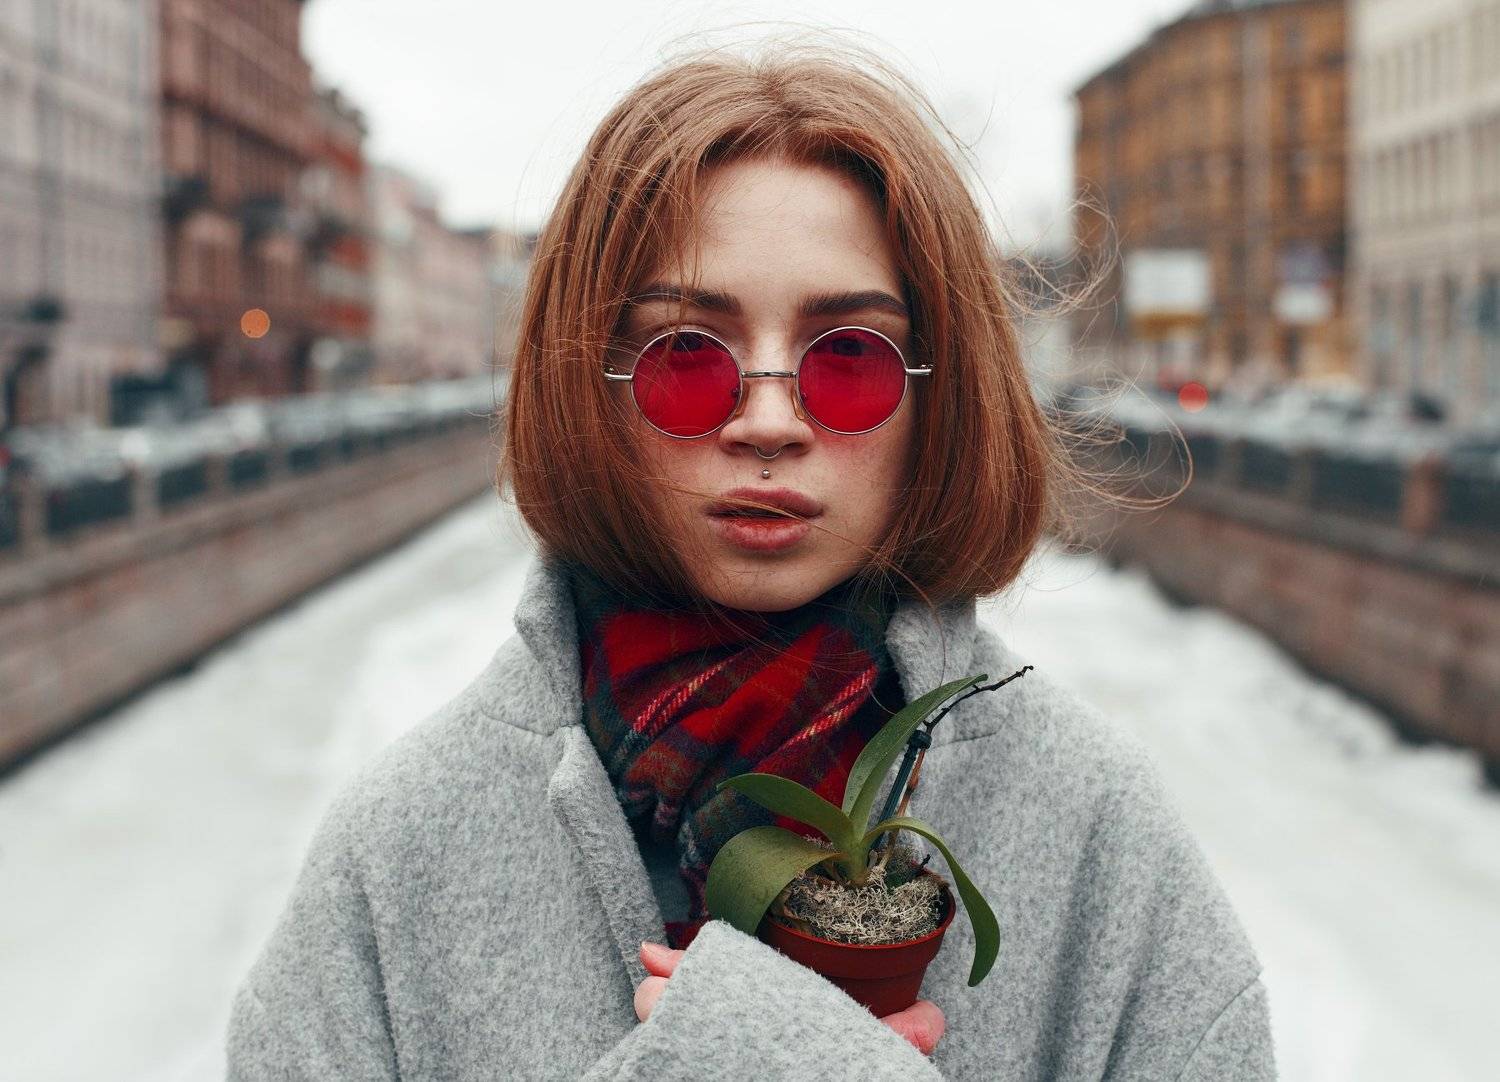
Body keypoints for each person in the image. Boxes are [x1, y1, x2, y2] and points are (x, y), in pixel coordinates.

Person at [226, 38, 1276, 1081]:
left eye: (849, 358)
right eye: (688, 355)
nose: (768, 421)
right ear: (589, 391)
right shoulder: (399, 853)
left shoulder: (1098, 833)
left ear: (937, 399)